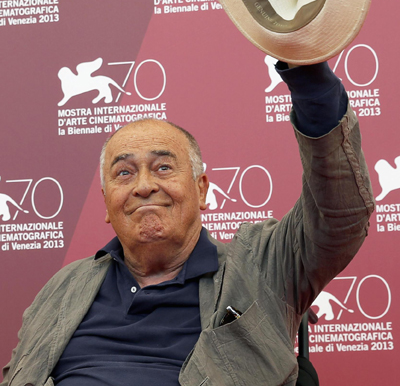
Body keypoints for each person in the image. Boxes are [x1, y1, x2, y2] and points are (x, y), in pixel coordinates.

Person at [2, 61, 374, 386]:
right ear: (106, 203)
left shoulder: (263, 266)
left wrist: (309, 80)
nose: (144, 185)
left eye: (163, 167)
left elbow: (339, 214)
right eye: (124, 173)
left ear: (201, 190)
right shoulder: (65, 286)